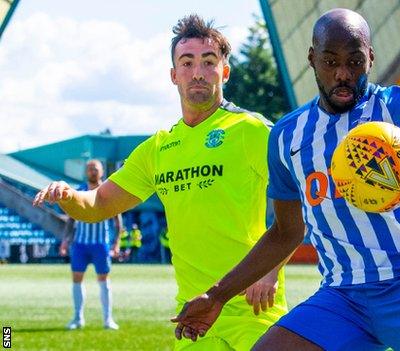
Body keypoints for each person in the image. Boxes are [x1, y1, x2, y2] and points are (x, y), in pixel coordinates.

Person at [172, 8, 400, 351]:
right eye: (330, 61)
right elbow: (285, 233)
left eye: (354, 62)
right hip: (343, 297)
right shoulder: (287, 136)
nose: (342, 74)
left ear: (370, 58)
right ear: (312, 59)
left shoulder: (396, 106)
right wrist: (216, 296)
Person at [33, 14, 287, 350]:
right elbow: (99, 205)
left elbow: (304, 200)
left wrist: (270, 271)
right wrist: (67, 195)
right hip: (196, 317)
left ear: (224, 71)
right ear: (173, 75)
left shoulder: (251, 131)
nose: (197, 72)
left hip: (254, 313)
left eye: (208, 62)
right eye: (187, 62)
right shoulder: (158, 148)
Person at [58, 159, 123, 330]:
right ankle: (78, 318)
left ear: (101, 171)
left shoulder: (108, 191)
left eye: (96, 169)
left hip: (101, 244)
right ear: (86, 172)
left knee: (104, 280)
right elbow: (71, 219)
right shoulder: (79, 191)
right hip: (80, 243)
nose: (93, 171)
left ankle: (108, 319)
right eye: (90, 169)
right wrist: (65, 240)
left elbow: (118, 221)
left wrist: (116, 243)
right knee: (76, 279)